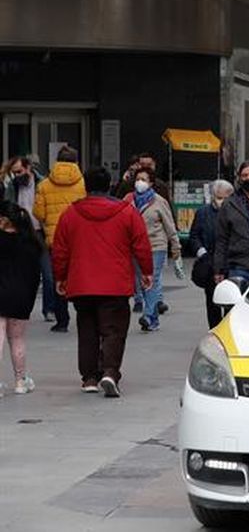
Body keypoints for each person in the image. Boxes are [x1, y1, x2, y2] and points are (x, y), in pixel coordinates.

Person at [51, 167, 151, 398]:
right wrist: (146, 272)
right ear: (110, 186)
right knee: (113, 330)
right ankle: (110, 371)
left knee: (87, 330)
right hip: (115, 283)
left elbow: (60, 250)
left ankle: (89, 377)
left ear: (85, 186)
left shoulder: (70, 213)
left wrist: (61, 277)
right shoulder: (127, 212)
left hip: (82, 283)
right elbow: (141, 244)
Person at [32, 146, 85, 332]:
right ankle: (84, 315)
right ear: (76, 162)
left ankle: (62, 320)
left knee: (59, 278)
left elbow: (38, 212)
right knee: (79, 277)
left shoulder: (44, 184)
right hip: (79, 238)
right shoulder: (83, 183)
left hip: (55, 239)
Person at [4, 157, 60, 329]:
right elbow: (7, 207)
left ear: (29, 168)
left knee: (48, 275)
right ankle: (21, 306)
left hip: (39, 233)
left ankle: (49, 309)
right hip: (20, 233)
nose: (17, 175)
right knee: (22, 274)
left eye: (19, 171)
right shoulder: (12, 186)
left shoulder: (42, 183)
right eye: (14, 172)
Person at [129, 167, 180, 333]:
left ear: (151, 183)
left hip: (156, 245)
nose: (140, 182)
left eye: (144, 179)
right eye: (138, 179)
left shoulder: (159, 201)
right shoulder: (130, 201)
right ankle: (153, 321)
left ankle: (148, 314)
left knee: (151, 280)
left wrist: (175, 246)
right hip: (136, 247)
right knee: (143, 284)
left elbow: (169, 225)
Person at [0, 201, 43, 396]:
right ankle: (20, 381)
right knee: (17, 339)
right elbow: (35, 274)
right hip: (21, 297)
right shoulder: (31, 242)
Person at [189, 180, 234, 329]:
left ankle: (229, 329)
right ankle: (215, 330)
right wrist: (201, 252)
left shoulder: (235, 212)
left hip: (231, 262)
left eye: (225, 197)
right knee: (212, 300)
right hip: (210, 262)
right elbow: (194, 235)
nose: (221, 201)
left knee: (232, 300)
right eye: (218, 197)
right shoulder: (203, 213)